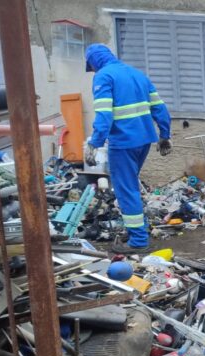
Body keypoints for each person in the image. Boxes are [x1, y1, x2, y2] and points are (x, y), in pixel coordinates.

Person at [84, 44, 172, 254]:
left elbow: (104, 114)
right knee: (130, 185)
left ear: (94, 63)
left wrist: (95, 143)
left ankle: (138, 240)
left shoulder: (104, 76)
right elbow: (160, 108)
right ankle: (136, 230)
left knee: (126, 189)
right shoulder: (137, 74)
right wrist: (165, 135)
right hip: (144, 141)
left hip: (123, 142)